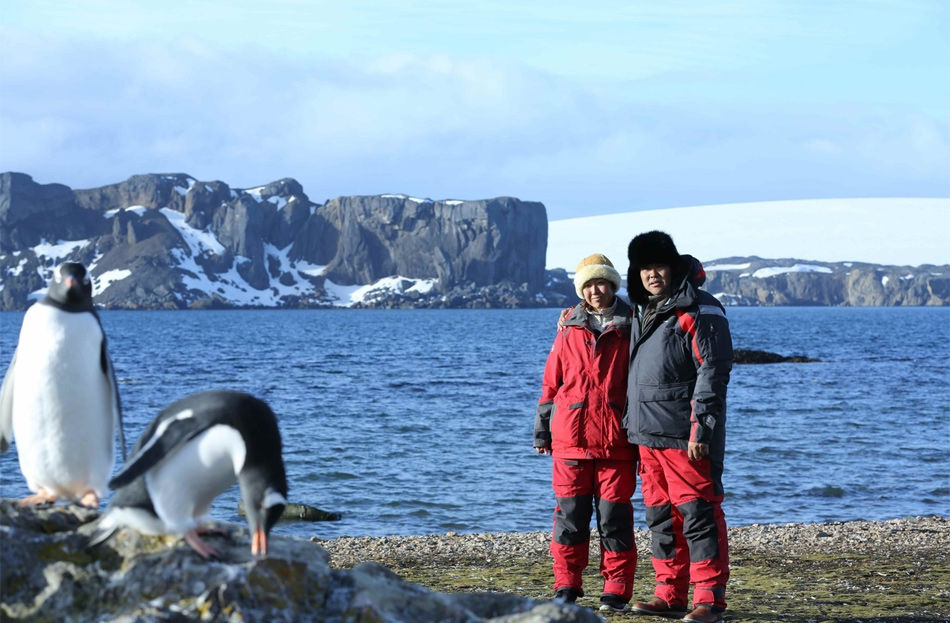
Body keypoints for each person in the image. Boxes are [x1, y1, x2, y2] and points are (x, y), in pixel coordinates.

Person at [623, 231, 733, 623]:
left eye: (659, 266)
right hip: (646, 436)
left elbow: (713, 370)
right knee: (661, 518)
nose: (653, 274)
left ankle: (709, 599)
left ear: (673, 266)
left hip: (685, 436)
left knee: (699, 514)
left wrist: (701, 427)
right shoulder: (643, 309)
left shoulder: (700, 309)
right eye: (645, 268)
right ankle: (669, 595)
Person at [534, 253, 638, 613]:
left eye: (602, 283)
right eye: (589, 285)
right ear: (582, 289)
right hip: (571, 441)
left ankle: (617, 589)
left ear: (612, 285)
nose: (596, 291)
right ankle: (566, 585)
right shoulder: (568, 327)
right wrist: (542, 430)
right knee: (570, 518)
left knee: (615, 518)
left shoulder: (632, 325)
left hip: (617, 441)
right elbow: (552, 382)